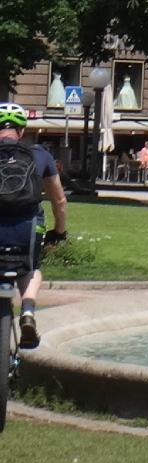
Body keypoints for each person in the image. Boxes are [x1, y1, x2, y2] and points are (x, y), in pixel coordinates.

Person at [0, 103, 67, 349]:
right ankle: (27, 311)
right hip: (27, 227)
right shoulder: (40, 155)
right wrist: (59, 231)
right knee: (31, 269)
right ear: (22, 130)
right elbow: (59, 199)